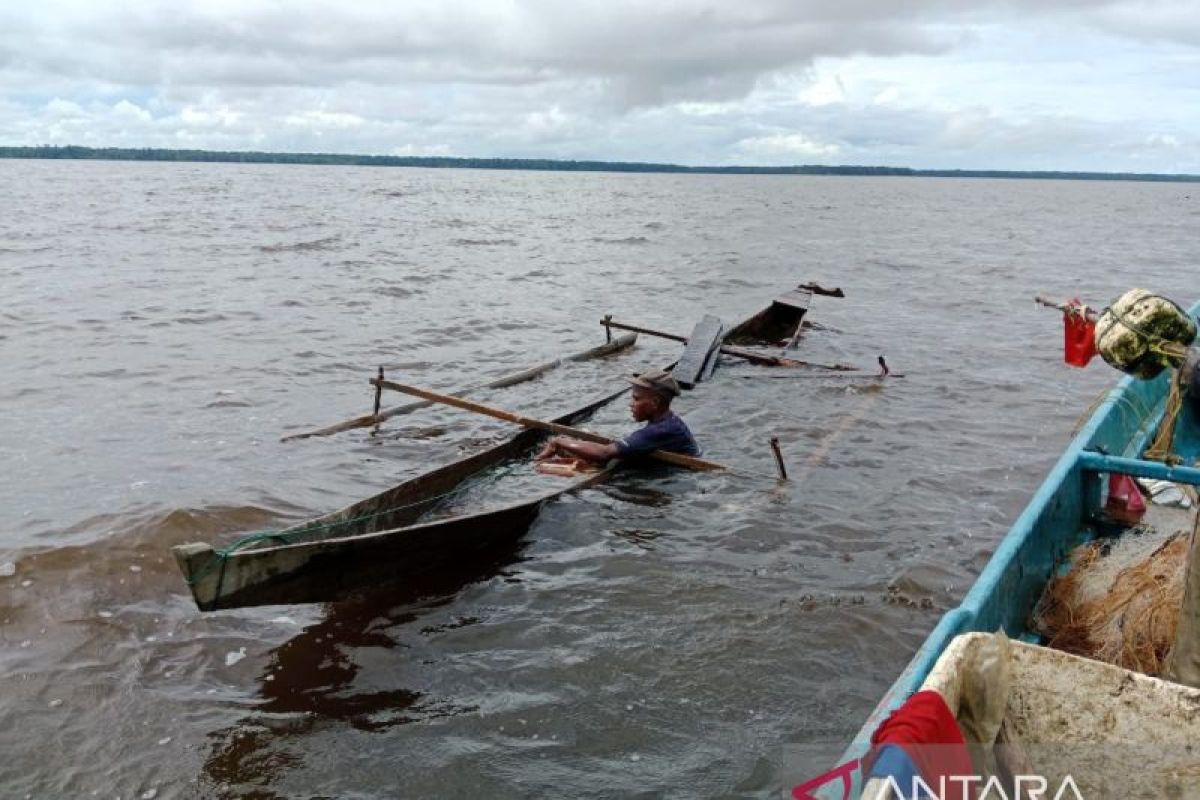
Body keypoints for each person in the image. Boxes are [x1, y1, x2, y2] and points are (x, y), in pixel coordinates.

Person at [535, 368, 700, 465]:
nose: (630, 404)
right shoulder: (665, 422)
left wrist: (559, 441)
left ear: (655, 402)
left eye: (636, 398)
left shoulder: (661, 430)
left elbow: (604, 454)